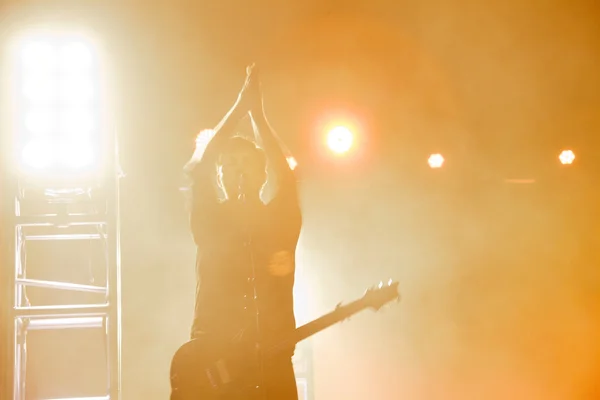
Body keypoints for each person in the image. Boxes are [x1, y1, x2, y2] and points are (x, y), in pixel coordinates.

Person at [183, 65, 301, 399]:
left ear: (262, 173)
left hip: (272, 352)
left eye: (246, 164)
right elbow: (202, 167)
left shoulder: (279, 222)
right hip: (215, 354)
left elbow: (287, 179)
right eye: (230, 165)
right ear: (220, 177)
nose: (237, 171)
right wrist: (239, 109)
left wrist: (259, 118)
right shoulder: (209, 219)